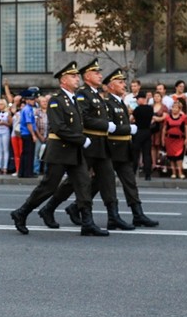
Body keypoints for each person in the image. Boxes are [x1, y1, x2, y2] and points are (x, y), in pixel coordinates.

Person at [10, 61, 107, 236]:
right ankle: (22, 212)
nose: (77, 79)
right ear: (63, 80)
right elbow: (59, 127)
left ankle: (87, 223)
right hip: (60, 151)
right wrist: (82, 139)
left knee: (83, 184)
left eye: (77, 76)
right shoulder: (56, 100)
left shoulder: (74, 100)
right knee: (48, 186)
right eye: (73, 76)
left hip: (74, 151)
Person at [36, 58, 132, 231]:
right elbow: (85, 120)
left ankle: (113, 216)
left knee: (107, 179)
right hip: (88, 144)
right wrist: (105, 126)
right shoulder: (82, 95)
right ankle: (49, 208)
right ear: (87, 76)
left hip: (101, 145)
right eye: (96, 72)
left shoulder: (97, 95)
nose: (100, 75)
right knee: (76, 182)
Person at [99, 69, 158, 227]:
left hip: (123, 150)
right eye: (120, 82)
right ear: (111, 86)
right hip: (111, 150)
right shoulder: (107, 104)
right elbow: (109, 128)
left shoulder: (120, 102)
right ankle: (109, 215)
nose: (124, 85)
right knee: (102, 184)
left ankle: (137, 214)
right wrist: (129, 129)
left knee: (130, 182)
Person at [162, 101, 187, 179]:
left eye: (176, 107)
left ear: (179, 109)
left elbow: (186, 128)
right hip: (169, 139)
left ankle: (180, 172)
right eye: (173, 107)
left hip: (179, 139)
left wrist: (186, 138)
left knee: (179, 157)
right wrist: (163, 139)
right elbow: (164, 129)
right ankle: (173, 172)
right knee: (171, 157)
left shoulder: (184, 117)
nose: (174, 109)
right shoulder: (167, 117)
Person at [18, 92, 37, 178]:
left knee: (25, 153)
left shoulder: (25, 109)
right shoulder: (28, 109)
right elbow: (29, 123)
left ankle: (22, 172)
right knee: (29, 154)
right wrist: (33, 134)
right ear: (27, 100)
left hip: (24, 133)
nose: (33, 101)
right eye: (31, 99)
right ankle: (28, 172)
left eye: (33, 99)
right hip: (27, 133)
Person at [0, 99, 12, 175]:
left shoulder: (8, 113)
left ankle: (5, 167)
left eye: (1, 104)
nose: (0, 106)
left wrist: (4, 123)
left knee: (5, 149)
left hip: (5, 131)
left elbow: (10, 124)